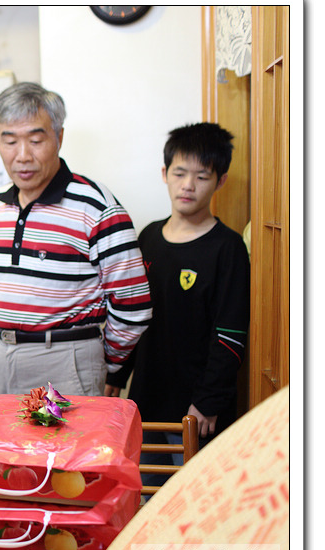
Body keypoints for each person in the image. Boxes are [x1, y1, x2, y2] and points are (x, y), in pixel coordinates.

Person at [0, 82, 152, 398]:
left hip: (66, 360)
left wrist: (106, 363)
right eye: (9, 141)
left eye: (35, 140)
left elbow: (133, 306)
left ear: (59, 136)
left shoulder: (97, 207)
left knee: (67, 449)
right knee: (1, 448)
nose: (22, 155)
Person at [107, 122, 250, 487]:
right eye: (180, 173)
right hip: (146, 399)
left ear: (220, 182)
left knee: (192, 502)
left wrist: (207, 401)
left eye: (201, 176)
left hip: (196, 409)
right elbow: (133, 315)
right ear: (164, 174)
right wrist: (118, 377)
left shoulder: (228, 248)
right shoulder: (148, 237)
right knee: (145, 494)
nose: (188, 185)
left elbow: (231, 334)